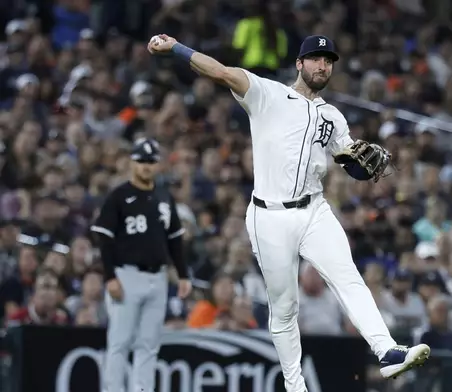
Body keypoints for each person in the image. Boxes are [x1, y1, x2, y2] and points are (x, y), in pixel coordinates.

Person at [147, 34, 430, 391]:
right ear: (299, 63)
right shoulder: (266, 93)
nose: (321, 65)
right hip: (269, 215)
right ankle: (295, 386)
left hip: (314, 210)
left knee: (348, 277)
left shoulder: (333, 116)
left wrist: (364, 166)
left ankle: (386, 351)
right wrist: (175, 48)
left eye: (327, 60)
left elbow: (349, 164)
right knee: (284, 307)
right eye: (314, 58)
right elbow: (219, 71)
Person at [90, 138, 192, 392]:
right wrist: (109, 276)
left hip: (157, 278)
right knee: (120, 341)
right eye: (141, 161)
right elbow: (104, 238)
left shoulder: (164, 197)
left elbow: (175, 239)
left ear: (158, 166)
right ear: (132, 163)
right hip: (126, 276)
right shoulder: (119, 196)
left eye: (150, 162)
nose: (146, 166)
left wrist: (182, 275)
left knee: (148, 343)